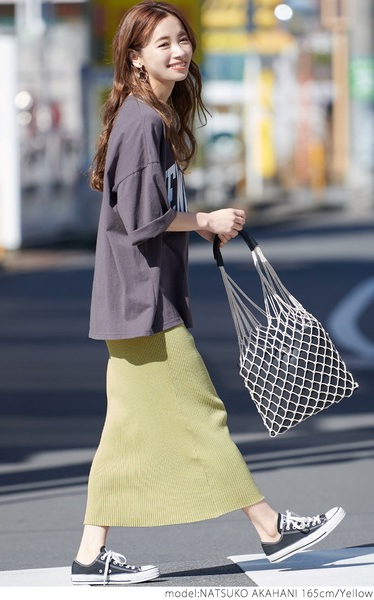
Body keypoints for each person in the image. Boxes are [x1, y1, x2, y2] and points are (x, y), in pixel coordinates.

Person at [71, 1, 345, 586]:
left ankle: (91, 555)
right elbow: (144, 217)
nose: (178, 51)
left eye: (182, 40)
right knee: (203, 416)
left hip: (135, 299)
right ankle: (271, 530)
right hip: (145, 304)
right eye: (163, 43)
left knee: (121, 435)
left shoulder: (150, 118)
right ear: (136, 58)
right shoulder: (142, 123)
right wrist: (206, 220)